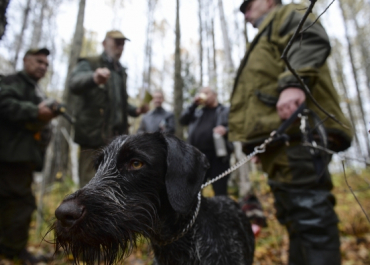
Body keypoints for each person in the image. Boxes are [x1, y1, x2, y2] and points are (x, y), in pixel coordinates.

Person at [230, 0, 353, 264]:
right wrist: (258, 145)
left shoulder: (290, 12)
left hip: (298, 134)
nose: (246, 16)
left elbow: (309, 39)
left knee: (311, 221)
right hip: (281, 142)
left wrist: (293, 83)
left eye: (248, 8)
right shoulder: (265, 35)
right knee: (296, 221)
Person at [69, 30, 148, 188]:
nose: (120, 46)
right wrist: (93, 78)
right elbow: (74, 83)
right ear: (105, 43)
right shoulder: (91, 63)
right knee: (91, 184)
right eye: (116, 42)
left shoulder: (121, 72)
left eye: (123, 43)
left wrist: (136, 111)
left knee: (116, 185)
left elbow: (121, 103)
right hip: (93, 137)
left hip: (117, 140)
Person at [0, 48, 56, 263]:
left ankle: (10, 249)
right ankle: (14, 252)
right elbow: (4, 104)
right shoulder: (12, 81)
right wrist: (35, 111)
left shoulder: (34, 89)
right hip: (10, 157)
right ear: (25, 60)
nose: (43, 66)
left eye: (46, 64)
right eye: (38, 61)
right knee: (21, 203)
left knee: (13, 203)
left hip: (22, 158)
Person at [180, 87, 232, 196]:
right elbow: (183, 120)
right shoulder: (197, 112)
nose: (203, 95)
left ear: (215, 94)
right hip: (198, 157)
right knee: (195, 191)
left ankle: (221, 212)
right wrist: (194, 105)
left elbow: (236, 127)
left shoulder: (225, 110)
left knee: (220, 191)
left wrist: (226, 130)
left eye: (206, 93)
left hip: (218, 157)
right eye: (201, 93)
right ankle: (197, 213)